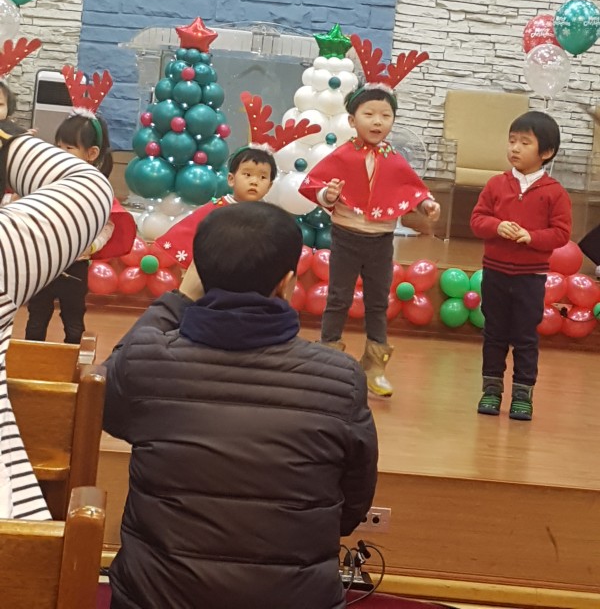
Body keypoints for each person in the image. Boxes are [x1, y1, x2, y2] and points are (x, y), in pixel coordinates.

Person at [103, 202, 377, 609]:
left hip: (157, 598)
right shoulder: (341, 377)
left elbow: (100, 397)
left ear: (200, 276)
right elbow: (352, 505)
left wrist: (178, 298)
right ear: (286, 283)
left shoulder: (147, 361)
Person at [0, 121, 113, 519]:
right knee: (38, 319)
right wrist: (8, 137)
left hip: (70, 272)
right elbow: (88, 191)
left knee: (71, 322)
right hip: (11, 539)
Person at [299, 84, 440, 397]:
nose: (378, 121)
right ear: (352, 120)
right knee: (338, 297)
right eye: (369, 114)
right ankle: (329, 361)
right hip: (346, 237)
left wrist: (426, 205)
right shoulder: (342, 156)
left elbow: (411, 190)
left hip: (381, 241)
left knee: (378, 301)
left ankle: (375, 366)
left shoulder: (395, 159)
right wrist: (328, 195)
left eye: (386, 115)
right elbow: (315, 185)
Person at [471, 110, 572, 421]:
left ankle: (522, 395)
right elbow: (477, 220)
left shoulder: (555, 193)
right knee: (494, 333)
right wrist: (496, 226)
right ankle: (491, 391)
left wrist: (531, 237)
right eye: (512, 140)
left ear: (546, 152)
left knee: (526, 338)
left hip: (530, 278)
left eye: (524, 143)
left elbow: (561, 233)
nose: (514, 148)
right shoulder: (496, 184)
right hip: (495, 273)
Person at [24, 111, 135, 344]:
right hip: (43, 265)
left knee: (74, 322)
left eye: (69, 148)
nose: (59, 153)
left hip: (75, 267)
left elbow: (108, 224)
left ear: (91, 154)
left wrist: (91, 246)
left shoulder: (96, 189)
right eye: (57, 147)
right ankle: (31, 363)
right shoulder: (46, 180)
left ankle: (72, 362)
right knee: (35, 320)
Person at [155, 143, 277, 268]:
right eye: (247, 174)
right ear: (231, 179)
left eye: (262, 177)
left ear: (269, 186)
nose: (254, 182)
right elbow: (185, 232)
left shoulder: (269, 217)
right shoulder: (216, 209)